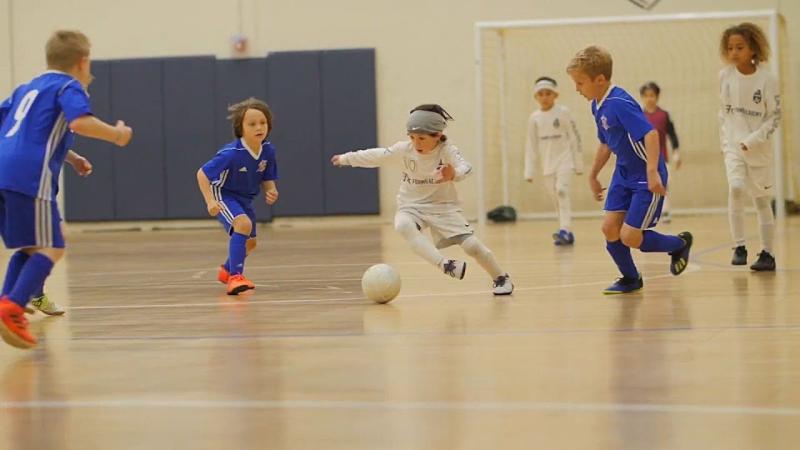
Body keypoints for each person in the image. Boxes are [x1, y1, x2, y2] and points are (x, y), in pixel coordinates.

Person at [0, 30, 133, 349]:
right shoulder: (68, 85)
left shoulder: (25, 89)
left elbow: (19, 131)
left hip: (4, 171)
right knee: (53, 246)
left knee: (32, 245)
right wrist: (117, 135)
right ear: (82, 62)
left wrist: (70, 157)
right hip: (29, 176)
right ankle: (13, 307)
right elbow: (80, 123)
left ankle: (8, 301)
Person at [331, 104, 513, 295]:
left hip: (443, 207)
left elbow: (466, 167)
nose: (416, 143)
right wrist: (346, 158)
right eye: (412, 137)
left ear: (438, 134)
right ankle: (444, 264)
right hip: (411, 206)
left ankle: (500, 277)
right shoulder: (404, 150)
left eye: (422, 138)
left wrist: (453, 173)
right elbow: (376, 155)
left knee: (472, 246)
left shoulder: (447, 150)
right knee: (402, 225)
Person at [566, 45, 692, 294]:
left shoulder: (619, 102)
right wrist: (593, 175)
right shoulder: (597, 104)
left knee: (630, 237)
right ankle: (631, 278)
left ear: (600, 79)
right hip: (623, 174)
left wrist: (653, 172)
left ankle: (678, 244)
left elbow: (651, 135)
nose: (576, 89)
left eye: (580, 83)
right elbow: (606, 143)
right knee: (609, 229)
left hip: (645, 177)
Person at [197, 97, 279, 295]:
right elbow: (202, 173)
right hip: (224, 194)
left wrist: (271, 189)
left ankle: (226, 270)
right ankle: (235, 277)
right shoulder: (231, 153)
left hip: (245, 199)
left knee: (250, 243)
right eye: (252, 124)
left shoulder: (267, 150)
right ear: (240, 128)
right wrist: (210, 201)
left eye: (262, 122)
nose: (259, 127)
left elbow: (267, 175)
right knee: (242, 225)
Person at [718, 23, 780, 271]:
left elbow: (775, 117)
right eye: (730, 47)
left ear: (753, 48)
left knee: (761, 201)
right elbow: (723, 113)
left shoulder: (767, 78)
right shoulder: (725, 76)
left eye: (740, 47)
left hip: (759, 150)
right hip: (733, 146)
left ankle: (767, 254)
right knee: (735, 188)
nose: (734, 52)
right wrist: (726, 143)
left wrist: (752, 140)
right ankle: (739, 246)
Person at [524, 76, 583, 245]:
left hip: (565, 161)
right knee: (556, 197)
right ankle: (564, 230)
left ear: (555, 95)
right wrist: (529, 170)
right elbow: (531, 145)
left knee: (561, 191)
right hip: (547, 165)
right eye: (541, 94)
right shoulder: (534, 118)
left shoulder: (563, 112)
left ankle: (565, 229)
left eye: (548, 93)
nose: (544, 97)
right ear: (536, 97)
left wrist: (578, 164)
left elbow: (574, 138)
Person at [639, 81, 681, 223]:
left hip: (662, 157)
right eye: (646, 96)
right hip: (643, 158)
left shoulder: (664, 115)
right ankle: (647, 212)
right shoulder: (639, 116)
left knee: (664, 183)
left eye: (652, 95)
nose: (649, 98)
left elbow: (672, 135)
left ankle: (665, 211)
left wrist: (676, 154)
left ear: (657, 97)